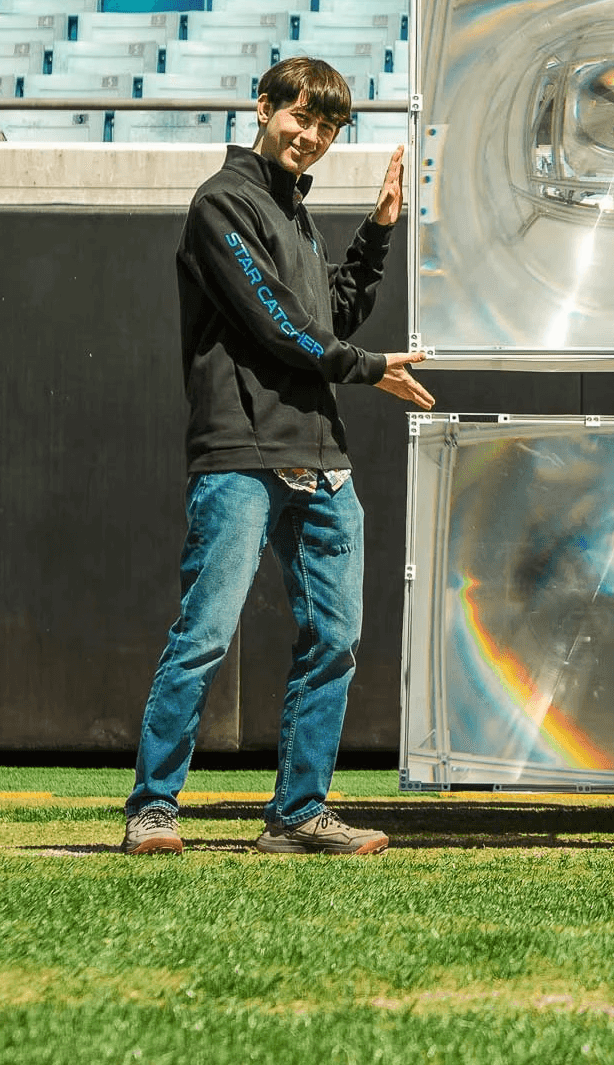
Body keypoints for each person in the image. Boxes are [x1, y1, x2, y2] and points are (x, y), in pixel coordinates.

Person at [122, 57, 434, 857]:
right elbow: (280, 327)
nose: (314, 137)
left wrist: (380, 228)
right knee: (205, 637)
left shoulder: (295, 213)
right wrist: (366, 370)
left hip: (323, 458)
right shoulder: (221, 204)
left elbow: (328, 313)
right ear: (262, 107)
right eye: (303, 118)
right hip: (240, 454)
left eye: (329, 128)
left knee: (335, 640)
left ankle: (298, 817)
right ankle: (153, 808)